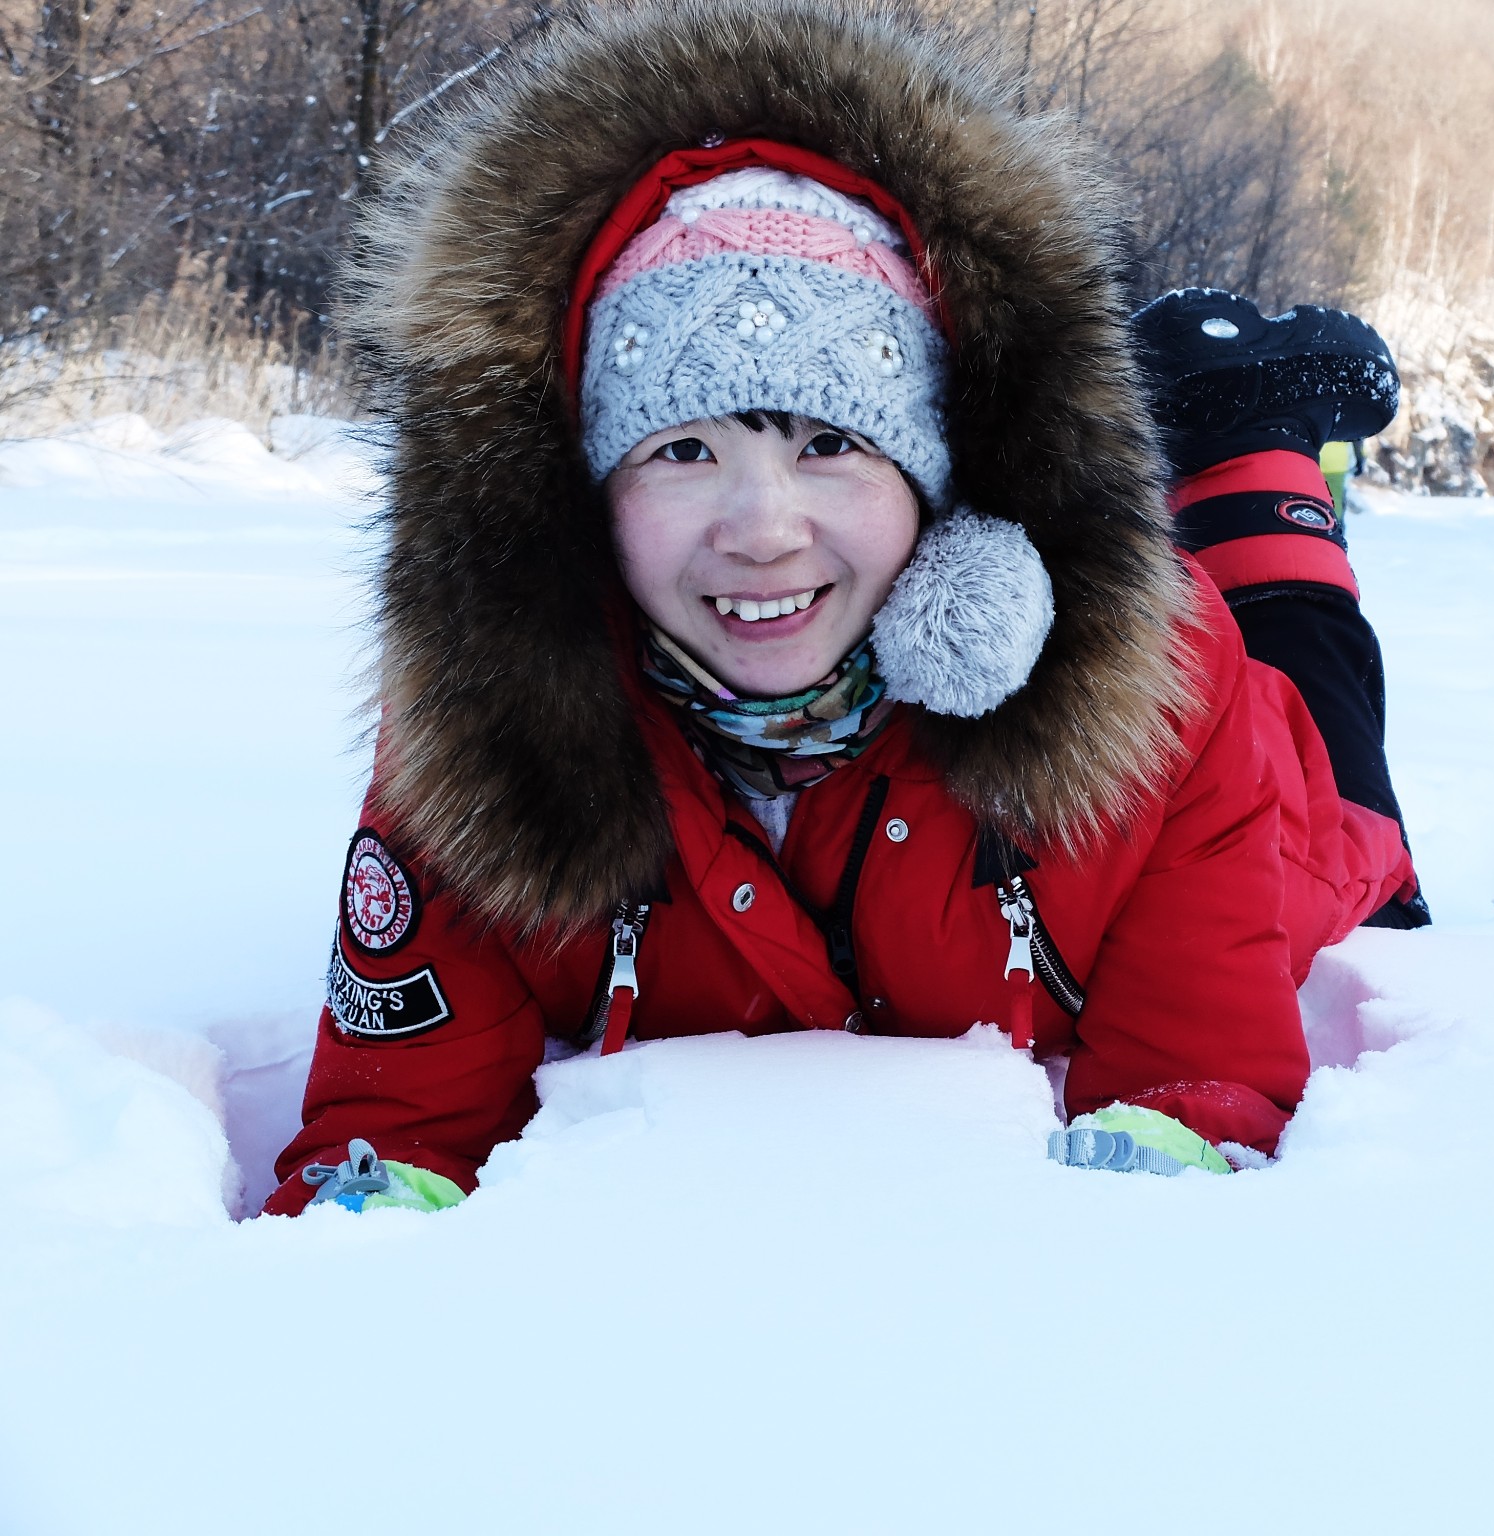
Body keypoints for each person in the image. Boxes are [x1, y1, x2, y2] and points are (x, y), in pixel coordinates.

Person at [268, 0, 1426, 1215]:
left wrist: (1168, 1148)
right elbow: (401, 1116)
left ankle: (1260, 447)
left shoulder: (1158, 690)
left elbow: (1202, 1074)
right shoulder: (485, 715)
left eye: (829, 442)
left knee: (1323, 732)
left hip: (1275, 803)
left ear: (929, 479)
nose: (760, 528)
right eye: (679, 451)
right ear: (581, 495)